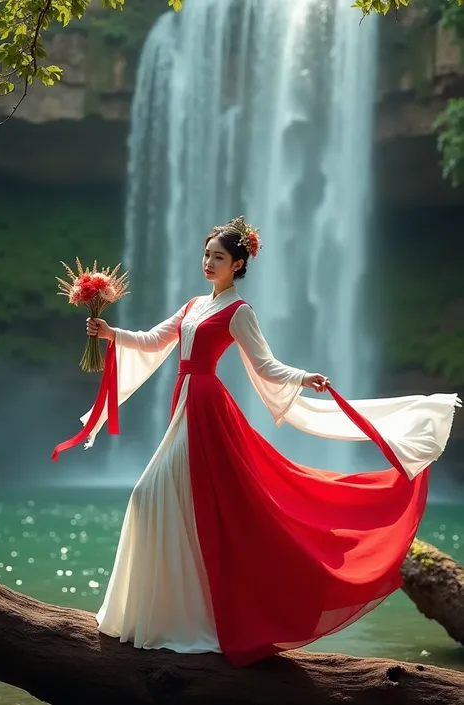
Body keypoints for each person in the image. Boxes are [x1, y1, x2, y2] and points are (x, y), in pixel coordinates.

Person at [77, 216, 459, 668]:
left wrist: (305, 377)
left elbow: (266, 364)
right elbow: (154, 340)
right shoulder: (193, 305)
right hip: (184, 403)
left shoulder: (239, 312)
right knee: (167, 502)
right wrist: (109, 333)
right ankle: (159, 616)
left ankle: (182, 618)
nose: (208, 262)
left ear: (238, 264)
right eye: (206, 254)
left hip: (205, 409)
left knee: (148, 495)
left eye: (218, 257)